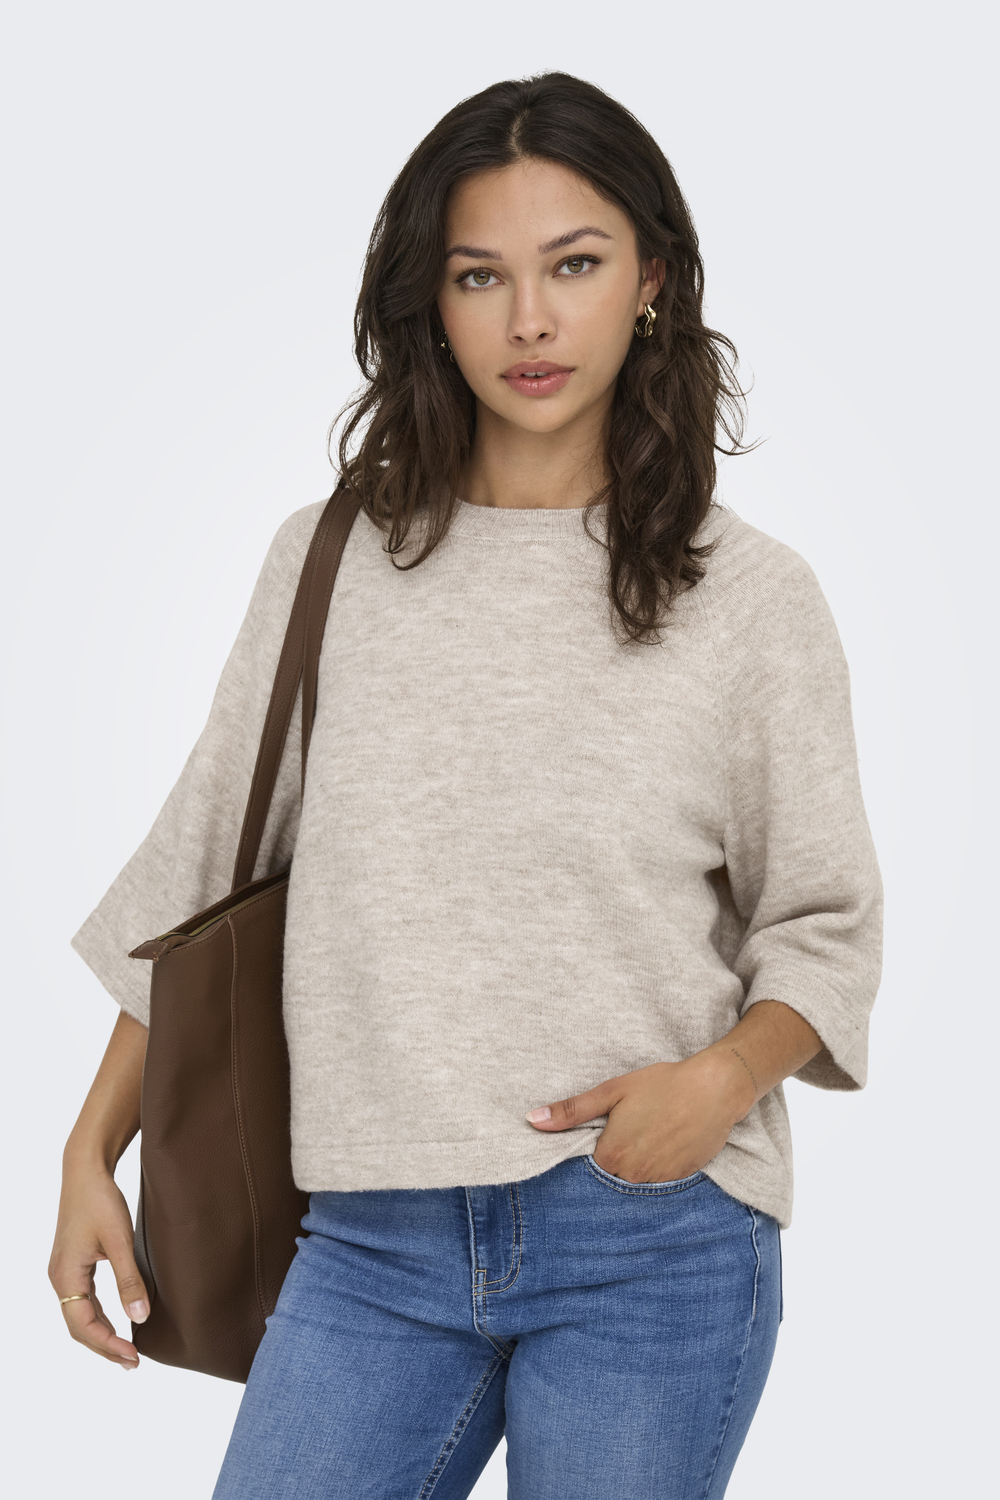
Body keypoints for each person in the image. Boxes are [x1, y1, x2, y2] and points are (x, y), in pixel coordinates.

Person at [49, 72, 883, 1499]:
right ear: (430, 302)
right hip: (369, 1241)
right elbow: (200, 881)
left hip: (648, 1238)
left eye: (576, 265)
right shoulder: (332, 560)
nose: (530, 321)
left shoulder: (748, 598)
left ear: (652, 282)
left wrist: (718, 1085)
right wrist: (88, 1152)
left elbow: (826, 926)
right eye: (480, 275)